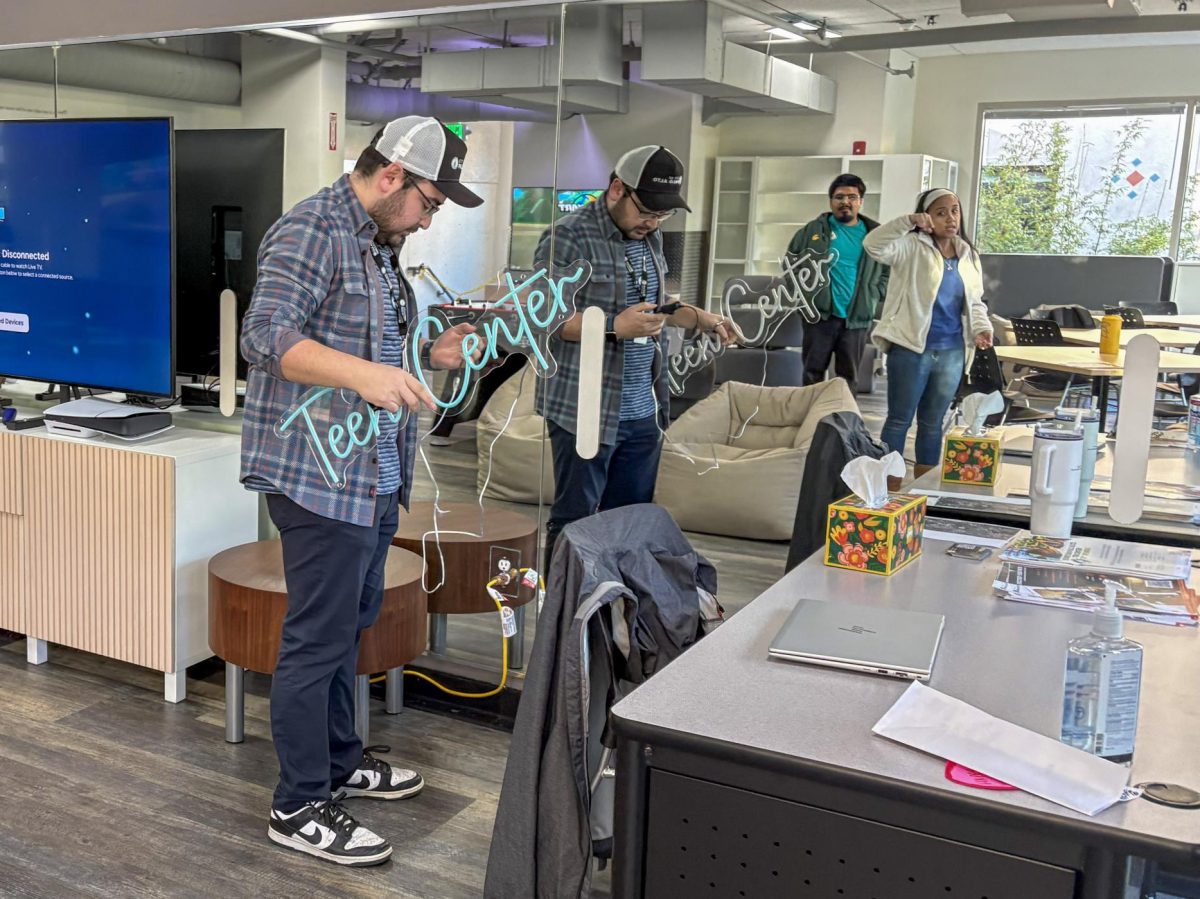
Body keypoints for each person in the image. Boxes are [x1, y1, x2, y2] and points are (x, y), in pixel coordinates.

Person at [239, 116, 484, 867]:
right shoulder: (312, 230)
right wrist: (368, 375)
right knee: (317, 639)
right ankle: (299, 801)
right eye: (430, 202)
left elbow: (377, 348)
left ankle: (342, 760)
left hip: (373, 472)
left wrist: (426, 353)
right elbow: (266, 336)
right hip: (318, 476)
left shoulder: (381, 246)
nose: (431, 216)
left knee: (349, 625)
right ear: (390, 178)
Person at [535, 145, 735, 565]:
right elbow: (543, 320)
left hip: (644, 409)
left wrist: (703, 318)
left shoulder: (650, 236)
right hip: (584, 410)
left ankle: (619, 612)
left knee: (631, 519)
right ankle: (564, 615)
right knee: (575, 519)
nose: (653, 221)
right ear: (616, 189)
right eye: (646, 210)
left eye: (663, 214)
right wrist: (612, 327)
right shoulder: (567, 235)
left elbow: (654, 306)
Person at [863, 188, 992, 483]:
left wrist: (982, 327)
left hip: (952, 352)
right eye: (941, 212)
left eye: (955, 210)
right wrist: (908, 221)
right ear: (927, 217)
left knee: (933, 423)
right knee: (899, 420)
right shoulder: (910, 247)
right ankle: (888, 485)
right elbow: (872, 245)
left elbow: (975, 301)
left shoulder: (968, 255)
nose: (950, 218)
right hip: (911, 349)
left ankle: (925, 488)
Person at [786, 173, 889, 387]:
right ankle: (809, 418)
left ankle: (843, 419)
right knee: (812, 374)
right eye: (839, 197)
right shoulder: (812, 231)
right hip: (819, 317)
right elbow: (791, 265)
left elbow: (890, 269)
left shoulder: (876, 234)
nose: (845, 202)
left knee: (848, 378)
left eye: (852, 197)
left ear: (860, 201)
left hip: (856, 318)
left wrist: (876, 292)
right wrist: (804, 297)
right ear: (831, 201)